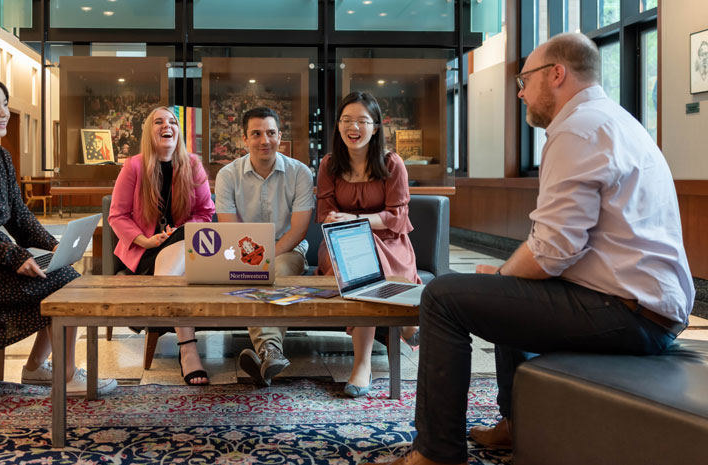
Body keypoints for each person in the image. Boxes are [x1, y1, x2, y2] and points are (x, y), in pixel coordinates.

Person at [379, 32, 694, 465]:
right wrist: (504, 278)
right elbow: (559, 247)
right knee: (503, 289)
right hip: (646, 307)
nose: (521, 92)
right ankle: (516, 424)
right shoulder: (612, 120)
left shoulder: (578, 129)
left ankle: (436, 453)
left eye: (524, 80)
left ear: (557, 74)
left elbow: (551, 253)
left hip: (628, 313)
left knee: (441, 297)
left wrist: (504, 275)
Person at [0, 75, 117, 396]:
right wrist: (15, 256)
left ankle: (36, 368)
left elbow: (18, 215)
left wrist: (51, 244)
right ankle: (65, 375)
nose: (4, 114)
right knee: (65, 281)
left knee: (63, 274)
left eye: (5, 105)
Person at [315, 91, 421, 398]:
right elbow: (324, 215)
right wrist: (345, 223)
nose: (354, 127)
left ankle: (364, 363)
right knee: (358, 255)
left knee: (369, 255)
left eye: (363, 121)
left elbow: (397, 218)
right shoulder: (329, 165)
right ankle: (402, 329)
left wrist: (355, 219)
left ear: (375, 128)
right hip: (341, 244)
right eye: (347, 120)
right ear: (338, 126)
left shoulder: (392, 163)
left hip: (389, 244)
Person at [109, 106, 215, 385]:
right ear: (149, 131)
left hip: (182, 245)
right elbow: (116, 216)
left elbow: (206, 213)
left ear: (178, 132)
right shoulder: (133, 166)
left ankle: (161, 303)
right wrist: (145, 239)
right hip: (143, 252)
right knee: (181, 263)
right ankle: (189, 351)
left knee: (187, 239)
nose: (166, 126)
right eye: (158, 122)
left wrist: (178, 232)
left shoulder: (192, 164)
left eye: (172, 122)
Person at [214, 107, 313, 386]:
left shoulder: (300, 173)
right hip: (241, 254)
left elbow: (299, 229)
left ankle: (268, 350)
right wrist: (255, 259)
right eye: (256, 134)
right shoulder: (227, 175)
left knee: (277, 269)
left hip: (289, 251)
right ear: (244, 139)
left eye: (271, 133)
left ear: (280, 136)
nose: (264, 140)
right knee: (256, 271)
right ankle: (270, 354)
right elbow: (230, 229)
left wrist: (267, 257)